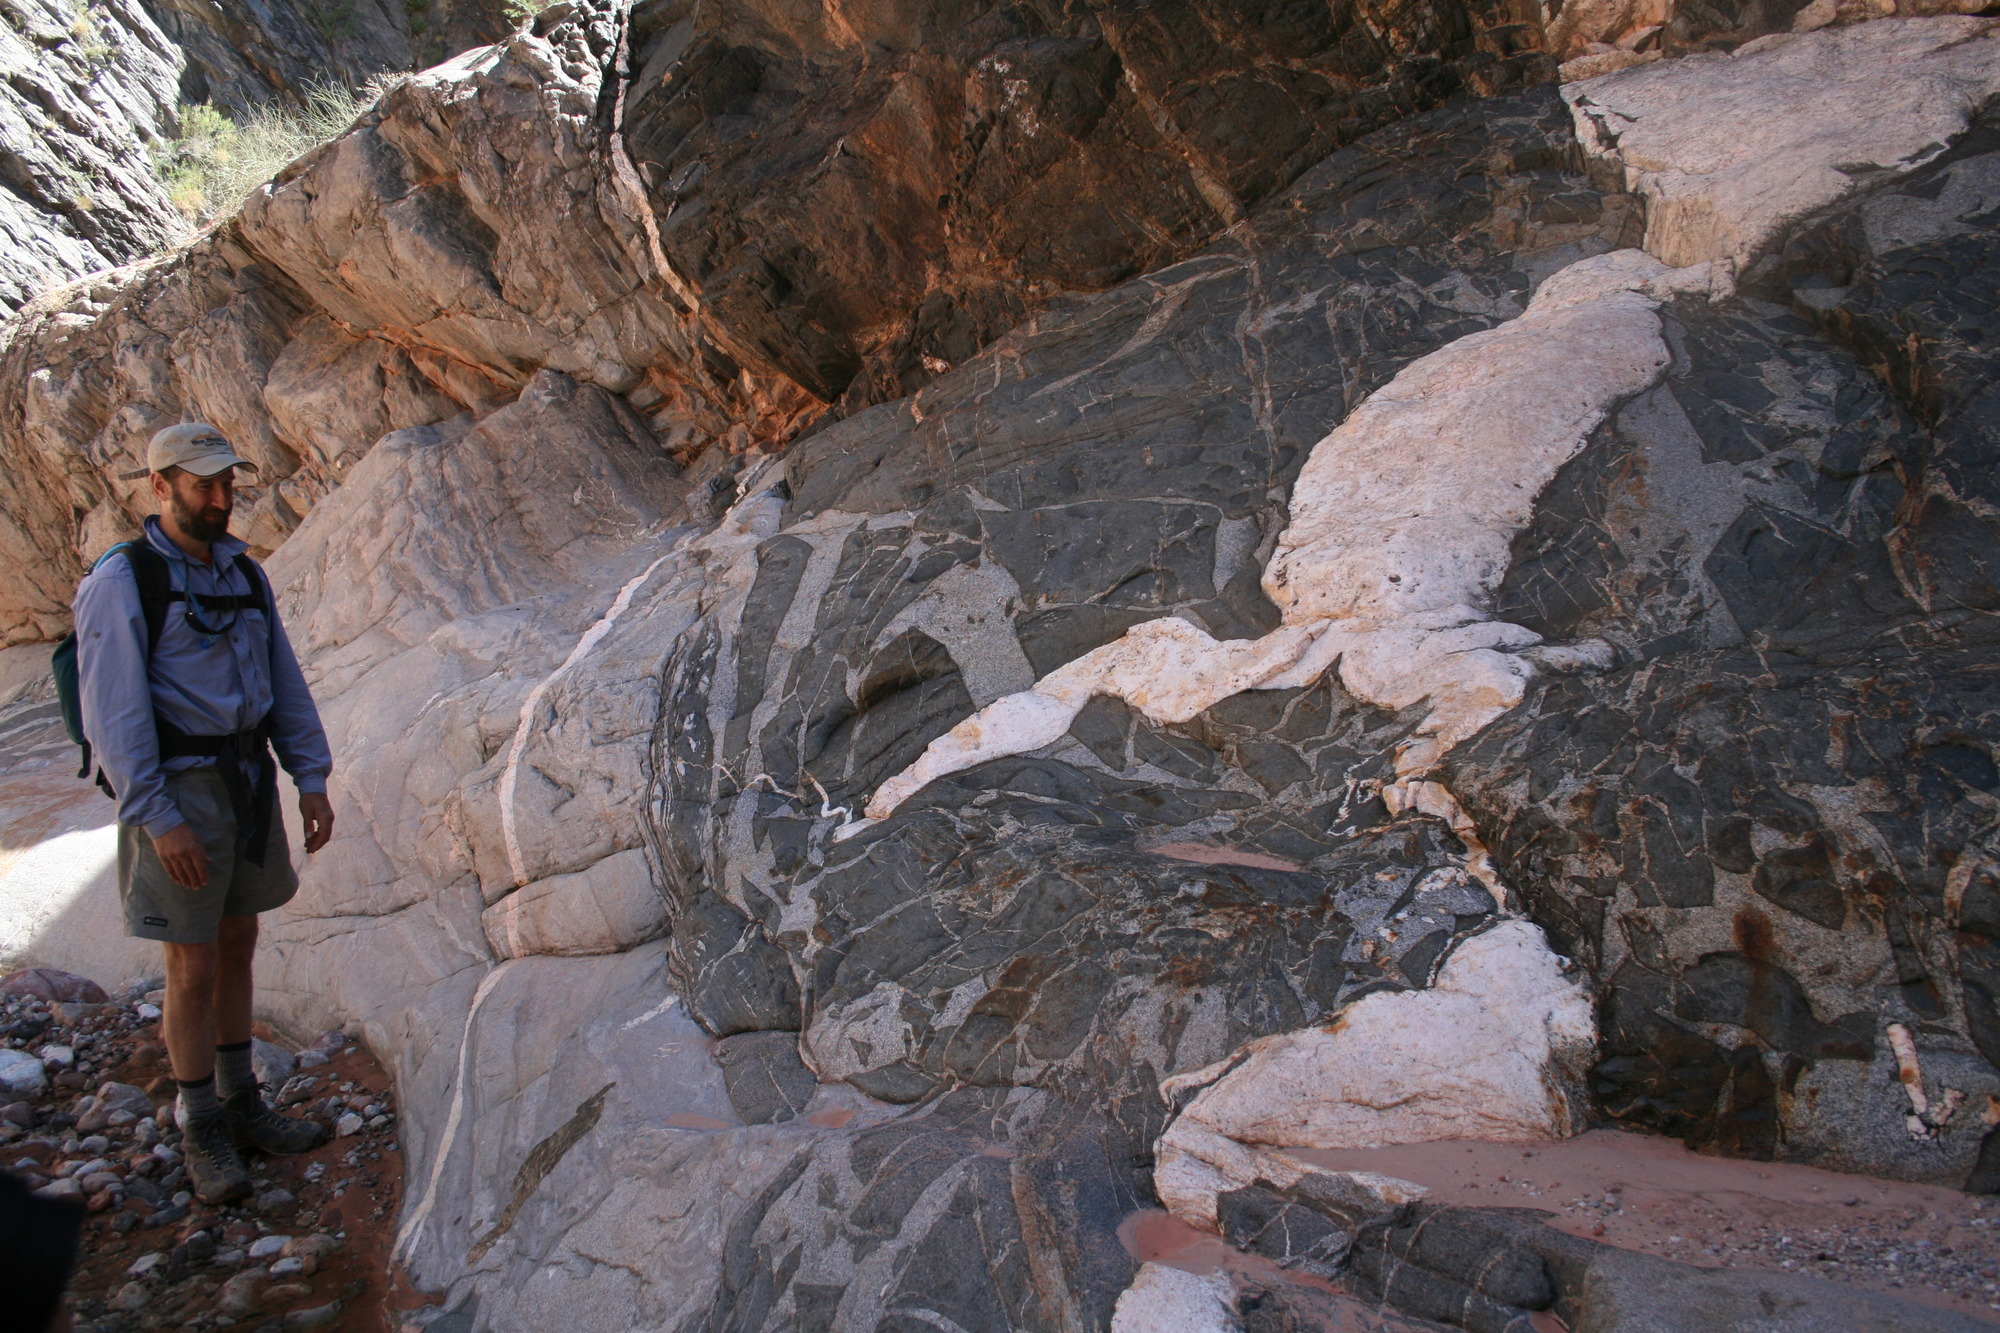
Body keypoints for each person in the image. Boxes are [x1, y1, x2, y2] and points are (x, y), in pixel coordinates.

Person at [70, 423, 336, 1205]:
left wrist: (309, 774)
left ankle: (244, 1102)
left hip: (246, 782)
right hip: (178, 794)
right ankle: (202, 1124)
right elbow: (112, 717)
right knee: (189, 960)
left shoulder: (241, 573)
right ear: (161, 486)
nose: (221, 498)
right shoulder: (123, 582)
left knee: (239, 939)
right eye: (203, 484)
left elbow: (282, 679)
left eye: (228, 483)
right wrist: (158, 817)